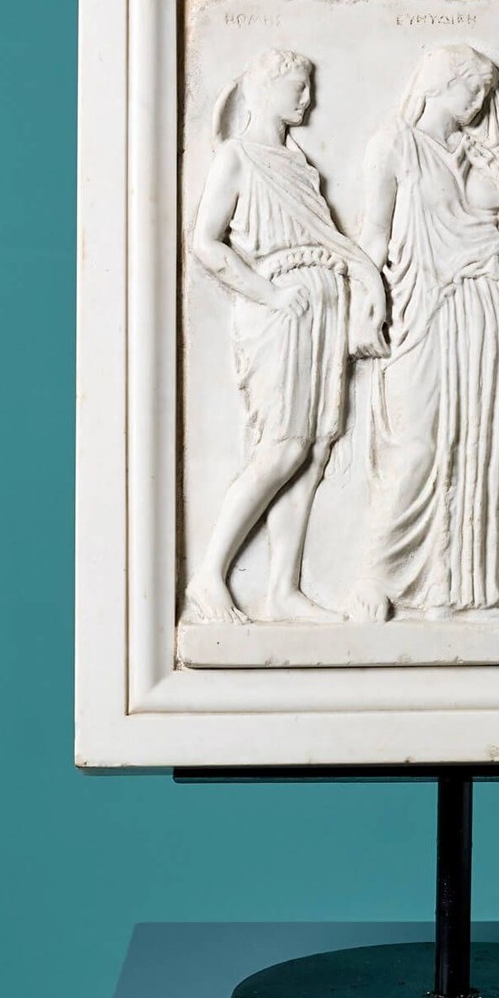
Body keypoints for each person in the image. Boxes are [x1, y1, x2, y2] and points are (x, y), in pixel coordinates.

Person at [183, 50, 385, 624]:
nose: (307, 99)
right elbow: (206, 242)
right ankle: (209, 575)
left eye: (309, 87)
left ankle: (282, 590)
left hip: (322, 305)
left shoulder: (299, 165)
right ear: (262, 90)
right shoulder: (237, 156)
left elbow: (330, 239)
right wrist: (268, 294)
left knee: (314, 450)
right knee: (284, 446)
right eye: (297, 87)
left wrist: (361, 288)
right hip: (282, 307)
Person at [348, 44, 499, 621]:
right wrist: (364, 306)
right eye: (470, 87)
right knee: (416, 446)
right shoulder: (393, 143)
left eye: (486, 91)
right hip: (420, 310)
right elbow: (374, 233)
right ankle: (375, 577)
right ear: (437, 83)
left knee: (476, 447)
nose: (479, 100)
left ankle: (460, 594)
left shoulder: (477, 155)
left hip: (483, 309)